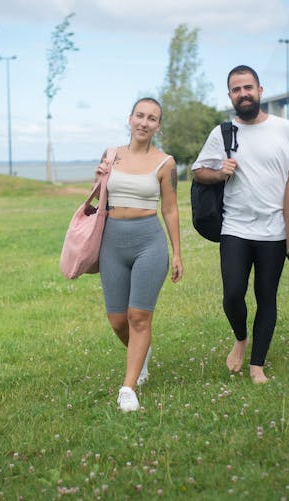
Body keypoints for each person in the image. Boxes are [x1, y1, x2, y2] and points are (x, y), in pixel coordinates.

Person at [191, 65, 289, 385]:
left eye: (248, 87)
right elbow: (198, 172)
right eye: (236, 89)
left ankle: (257, 365)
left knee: (266, 296)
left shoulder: (284, 129)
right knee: (232, 295)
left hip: (274, 230)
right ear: (231, 96)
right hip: (235, 227)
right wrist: (220, 172)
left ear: (260, 91)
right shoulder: (223, 133)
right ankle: (240, 338)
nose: (243, 93)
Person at [95, 97, 183, 412]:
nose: (145, 122)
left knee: (139, 317)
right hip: (112, 244)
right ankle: (141, 356)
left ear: (158, 126)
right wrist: (99, 175)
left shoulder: (166, 162)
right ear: (129, 119)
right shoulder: (111, 155)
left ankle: (128, 388)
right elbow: (99, 198)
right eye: (140, 116)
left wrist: (177, 253)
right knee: (118, 319)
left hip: (149, 242)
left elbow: (170, 209)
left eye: (152, 118)